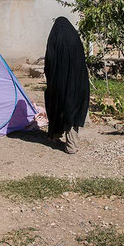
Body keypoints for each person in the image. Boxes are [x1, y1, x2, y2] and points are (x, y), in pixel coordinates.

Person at [44, 17, 90, 154]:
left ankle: (55, 136)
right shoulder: (75, 39)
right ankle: (71, 145)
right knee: (73, 110)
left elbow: (49, 62)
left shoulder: (55, 39)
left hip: (58, 83)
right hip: (76, 84)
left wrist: (51, 79)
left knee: (56, 106)